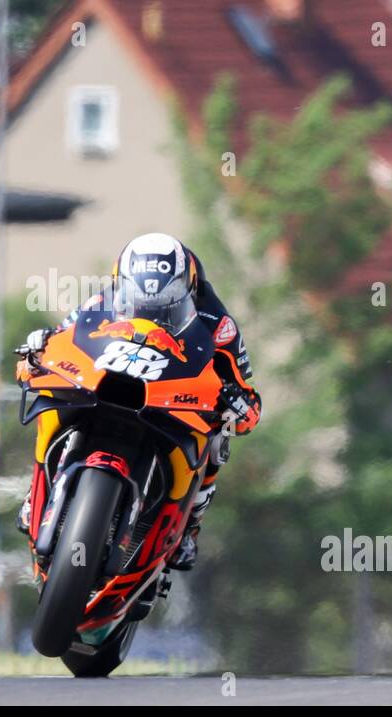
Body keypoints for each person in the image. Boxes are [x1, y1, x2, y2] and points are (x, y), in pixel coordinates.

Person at [17, 232, 261, 569]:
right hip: (109, 382)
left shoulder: (218, 324)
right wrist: (37, 351)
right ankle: (37, 494)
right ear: (121, 282)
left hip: (169, 397)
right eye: (136, 294)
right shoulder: (101, 302)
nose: (149, 305)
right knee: (52, 396)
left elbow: (244, 391)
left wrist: (239, 403)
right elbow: (62, 338)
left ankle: (188, 529)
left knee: (219, 439)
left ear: (187, 289)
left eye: (167, 297)